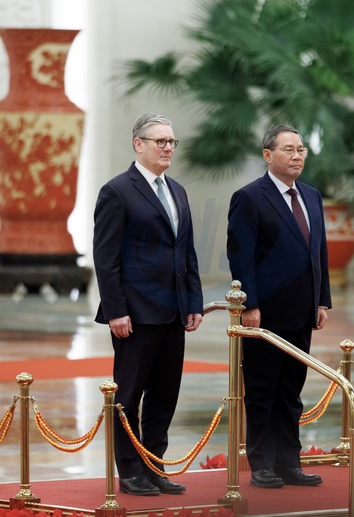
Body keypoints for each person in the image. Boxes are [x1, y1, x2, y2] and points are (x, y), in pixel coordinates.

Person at [93, 113, 203, 496]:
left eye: (172, 142)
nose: (168, 148)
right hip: (135, 315)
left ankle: (154, 466)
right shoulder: (117, 191)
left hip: (173, 312)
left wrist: (194, 302)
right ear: (138, 144)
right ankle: (129, 472)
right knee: (128, 396)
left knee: (164, 396)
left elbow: (186, 252)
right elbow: (106, 259)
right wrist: (116, 310)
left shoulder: (177, 191)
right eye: (161, 141)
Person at [227, 124, 331, 489]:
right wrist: (250, 305)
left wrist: (322, 300)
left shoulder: (311, 195)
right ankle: (262, 465)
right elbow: (241, 256)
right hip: (265, 314)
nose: (297, 156)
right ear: (268, 155)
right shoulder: (249, 197)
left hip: (302, 312)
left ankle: (290, 463)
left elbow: (319, 251)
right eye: (289, 149)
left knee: (291, 391)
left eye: (301, 150)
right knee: (262, 391)